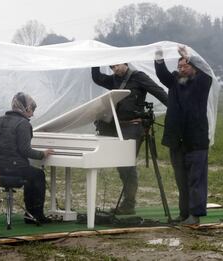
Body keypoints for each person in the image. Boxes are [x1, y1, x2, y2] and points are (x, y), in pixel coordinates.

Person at [91, 63, 168, 215]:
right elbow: (97, 78)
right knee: (121, 165)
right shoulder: (113, 79)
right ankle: (128, 202)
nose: (115, 70)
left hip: (134, 126)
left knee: (127, 164)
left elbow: (158, 92)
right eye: (112, 67)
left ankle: (129, 203)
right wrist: (96, 61)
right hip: (117, 127)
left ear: (125, 62)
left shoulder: (138, 77)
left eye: (117, 66)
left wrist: (175, 108)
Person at [154, 46, 212, 225]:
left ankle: (195, 216)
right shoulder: (175, 82)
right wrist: (159, 58)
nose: (181, 68)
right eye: (179, 66)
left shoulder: (202, 83)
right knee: (181, 180)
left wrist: (188, 56)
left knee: (196, 179)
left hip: (196, 140)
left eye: (185, 65)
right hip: (176, 140)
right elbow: (163, 74)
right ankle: (184, 213)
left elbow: (207, 72)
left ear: (193, 68)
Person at [0, 92, 54, 223]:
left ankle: (30, 214)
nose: (32, 114)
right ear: (25, 108)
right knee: (38, 175)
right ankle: (35, 214)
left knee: (31, 173)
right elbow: (25, 150)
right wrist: (42, 154)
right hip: (15, 168)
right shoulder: (23, 124)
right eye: (32, 110)